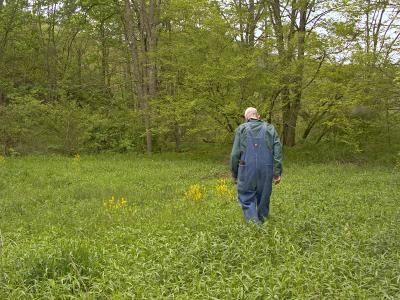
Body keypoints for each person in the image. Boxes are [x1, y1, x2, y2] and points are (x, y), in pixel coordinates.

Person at [230, 107, 282, 224]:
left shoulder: (241, 129)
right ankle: (263, 221)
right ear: (257, 116)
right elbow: (277, 152)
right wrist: (277, 173)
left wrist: (234, 173)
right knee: (264, 196)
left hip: (246, 168)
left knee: (246, 196)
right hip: (266, 168)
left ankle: (254, 225)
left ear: (246, 117)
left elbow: (234, 154)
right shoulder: (270, 128)